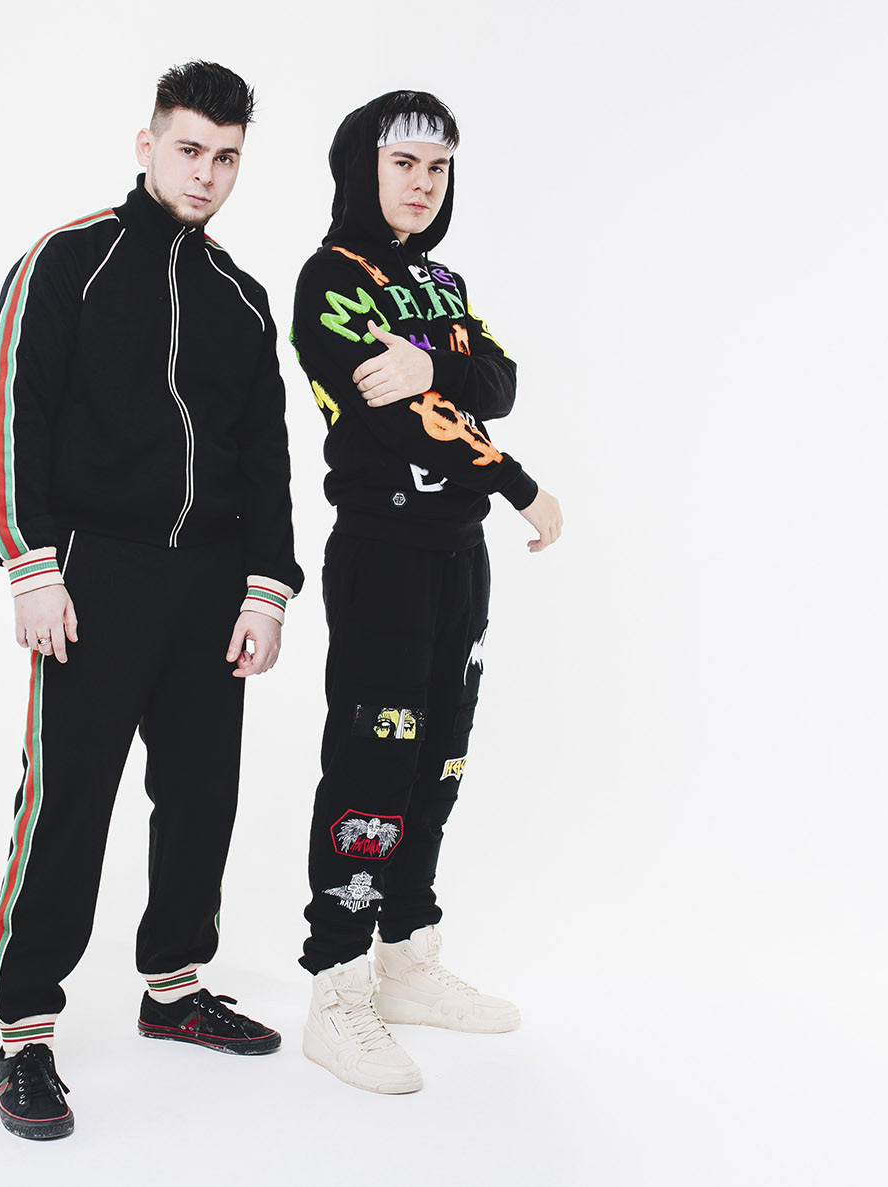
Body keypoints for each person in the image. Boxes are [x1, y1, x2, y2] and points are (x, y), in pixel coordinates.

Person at [0, 60, 303, 1140]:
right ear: (147, 144)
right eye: (189, 149)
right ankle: (25, 1029)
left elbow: (266, 458)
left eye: (226, 157)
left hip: (211, 585)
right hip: (93, 573)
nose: (206, 173)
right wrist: (30, 563)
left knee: (202, 794)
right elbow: (13, 410)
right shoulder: (68, 260)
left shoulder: (242, 298)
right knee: (67, 800)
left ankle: (173, 986)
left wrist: (267, 589)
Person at [290, 90, 563, 1094]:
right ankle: (336, 981)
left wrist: (433, 358)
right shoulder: (330, 277)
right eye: (403, 162)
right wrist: (519, 482)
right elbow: (400, 416)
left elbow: (499, 379)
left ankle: (406, 953)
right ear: (362, 167)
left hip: (459, 553)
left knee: (440, 753)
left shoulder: (442, 282)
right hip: (385, 552)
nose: (422, 183)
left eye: (437, 167)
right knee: (375, 757)